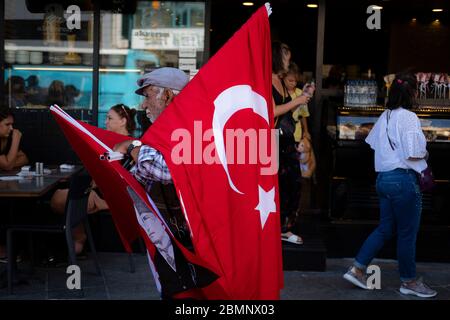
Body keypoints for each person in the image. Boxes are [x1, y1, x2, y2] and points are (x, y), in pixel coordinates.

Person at [343, 72, 437, 298]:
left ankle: (358, 269)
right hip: (403, 181)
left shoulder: (384, 116)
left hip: (383, 180)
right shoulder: (410, 117)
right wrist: (425, 149)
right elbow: (414, 153)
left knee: (385, 228)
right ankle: (409, 281)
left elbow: (372, 143)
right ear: (413, 93)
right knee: (407, 233)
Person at [50, 104, 136, 255]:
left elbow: (125, 180)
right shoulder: (110, 143)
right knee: (64, 195)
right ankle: (78, 237)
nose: (106, 122)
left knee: (60, 198)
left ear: (123, 121)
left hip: (111, 196)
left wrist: (104, 199)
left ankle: (78, 237)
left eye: (110, 118)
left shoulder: (131, 147)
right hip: (98, 192)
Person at [272, 42, 310, 245]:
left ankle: (285, 227)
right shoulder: (266, 80)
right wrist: (296, 101)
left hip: (286, 139)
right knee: (278, 185)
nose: (288, 61)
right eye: (286, 57)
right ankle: (278, 228)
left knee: (292, 183)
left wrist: (300, 100)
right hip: (271, 140)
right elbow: (270, 111)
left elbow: (286, 110)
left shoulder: (280, 80)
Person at [0, 107, 29, 261]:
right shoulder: (12, 138)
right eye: (7, 124)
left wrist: (8, 161)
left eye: (12, 124)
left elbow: (24, 158)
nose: (12, 129)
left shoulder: (5, 139)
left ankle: (12, 248)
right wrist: (16, 141)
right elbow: (8, 165)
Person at [284, 62, 312, 142]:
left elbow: (303, 114)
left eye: (296, 81)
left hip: (297, 133)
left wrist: (306, 131)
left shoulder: (300, 93)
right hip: (283, 133)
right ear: (283, 78)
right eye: (290, 81)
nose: (293, 83)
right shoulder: (281, 94)